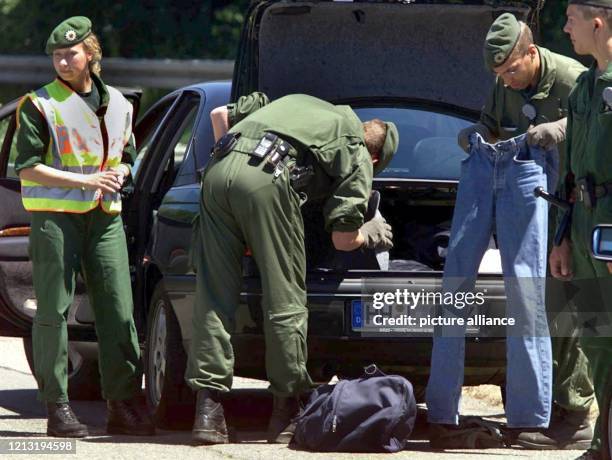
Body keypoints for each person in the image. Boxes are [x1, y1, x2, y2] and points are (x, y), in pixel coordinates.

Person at [185, 91, 398, 445]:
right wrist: (369, 233)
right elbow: (342, 240)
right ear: (375, 157)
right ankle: (287, 411)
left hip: (218, 173)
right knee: (285, 298)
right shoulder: (358, 151)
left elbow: (220, 114)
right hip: (268, 181)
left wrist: (242, 212)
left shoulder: (303, 102)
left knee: (213, 295)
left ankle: (208, 413)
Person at [427, 13, 593, 449]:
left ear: (532, 54)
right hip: (532, 190)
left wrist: (561, 129)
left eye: (512, 70)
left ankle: (572, 413)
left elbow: (598, 129)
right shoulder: (505, 83)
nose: (506, 80)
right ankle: (535, 412)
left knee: (565, 307)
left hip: (577, 204)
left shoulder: (575, 79)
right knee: (494, 294)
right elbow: (493, 123)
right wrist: (479, 134)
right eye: (499, 74)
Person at [14, 16, 155, 438]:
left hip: (105, 216)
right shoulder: (39, 105)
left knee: (118, 310)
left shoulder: (122, 104)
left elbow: (127, 154)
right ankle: (57, 407)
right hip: (55, 219)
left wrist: (123, 174)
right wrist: (86, 180)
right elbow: (29, 169)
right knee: (53, 314)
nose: (61, 60)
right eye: (56, 55)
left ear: (90, 54)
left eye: (70, 53)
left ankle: (123, 403)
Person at [552, 2, 612, 459]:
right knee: (594, 336)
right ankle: (602, 443)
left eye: (572, 18)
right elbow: (569, 174)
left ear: (599, 22)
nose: (566, 26)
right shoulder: (583, 89)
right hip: (587, 228)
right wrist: (562, 238)